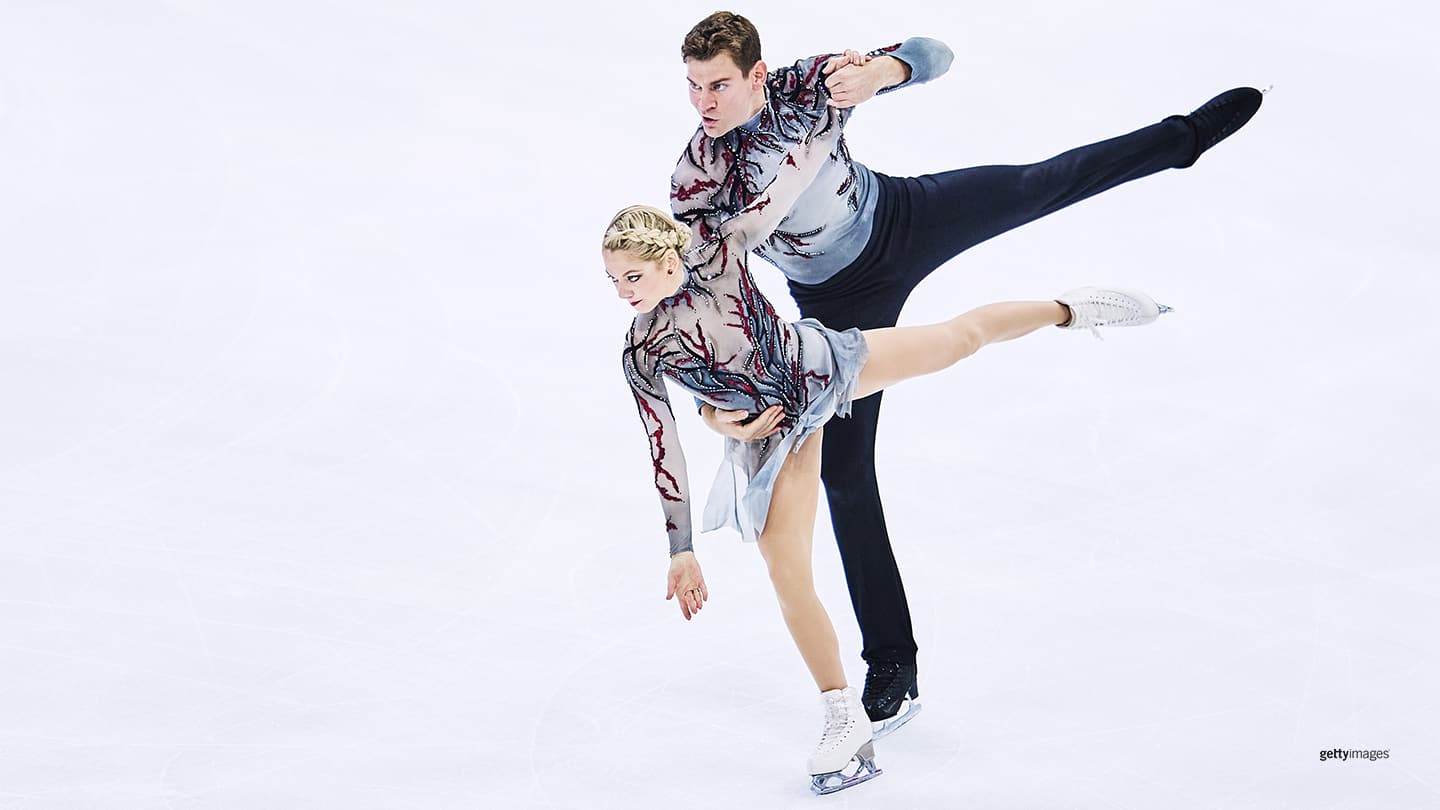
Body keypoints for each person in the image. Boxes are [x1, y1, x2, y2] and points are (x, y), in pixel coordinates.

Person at [670, 10, 1262, 737]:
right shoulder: (698, 186)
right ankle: (893, 661)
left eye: (718, 85)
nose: (704, 103)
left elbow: (936, 52)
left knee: (1036, 184)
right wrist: (709, 412)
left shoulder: (807, 86)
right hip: (836, 304)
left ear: (756, 75)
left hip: (903, 214)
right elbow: (699, 311)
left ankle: (1184, 139)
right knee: (847, 477)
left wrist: (890, 70)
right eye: (694, 87)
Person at [608, 107, 1168, 794]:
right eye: (614, 281)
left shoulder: (718, 251)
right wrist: (682, 546)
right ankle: (842, 715)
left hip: (824, 363)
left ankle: (1072, 309)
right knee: (790, 579)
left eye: (632, 277)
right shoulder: (640, 350)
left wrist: (835, 104)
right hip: (777, 434)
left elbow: (776, 192)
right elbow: (662, 447)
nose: (622, 293)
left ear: (667, 262)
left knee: (959, 339)